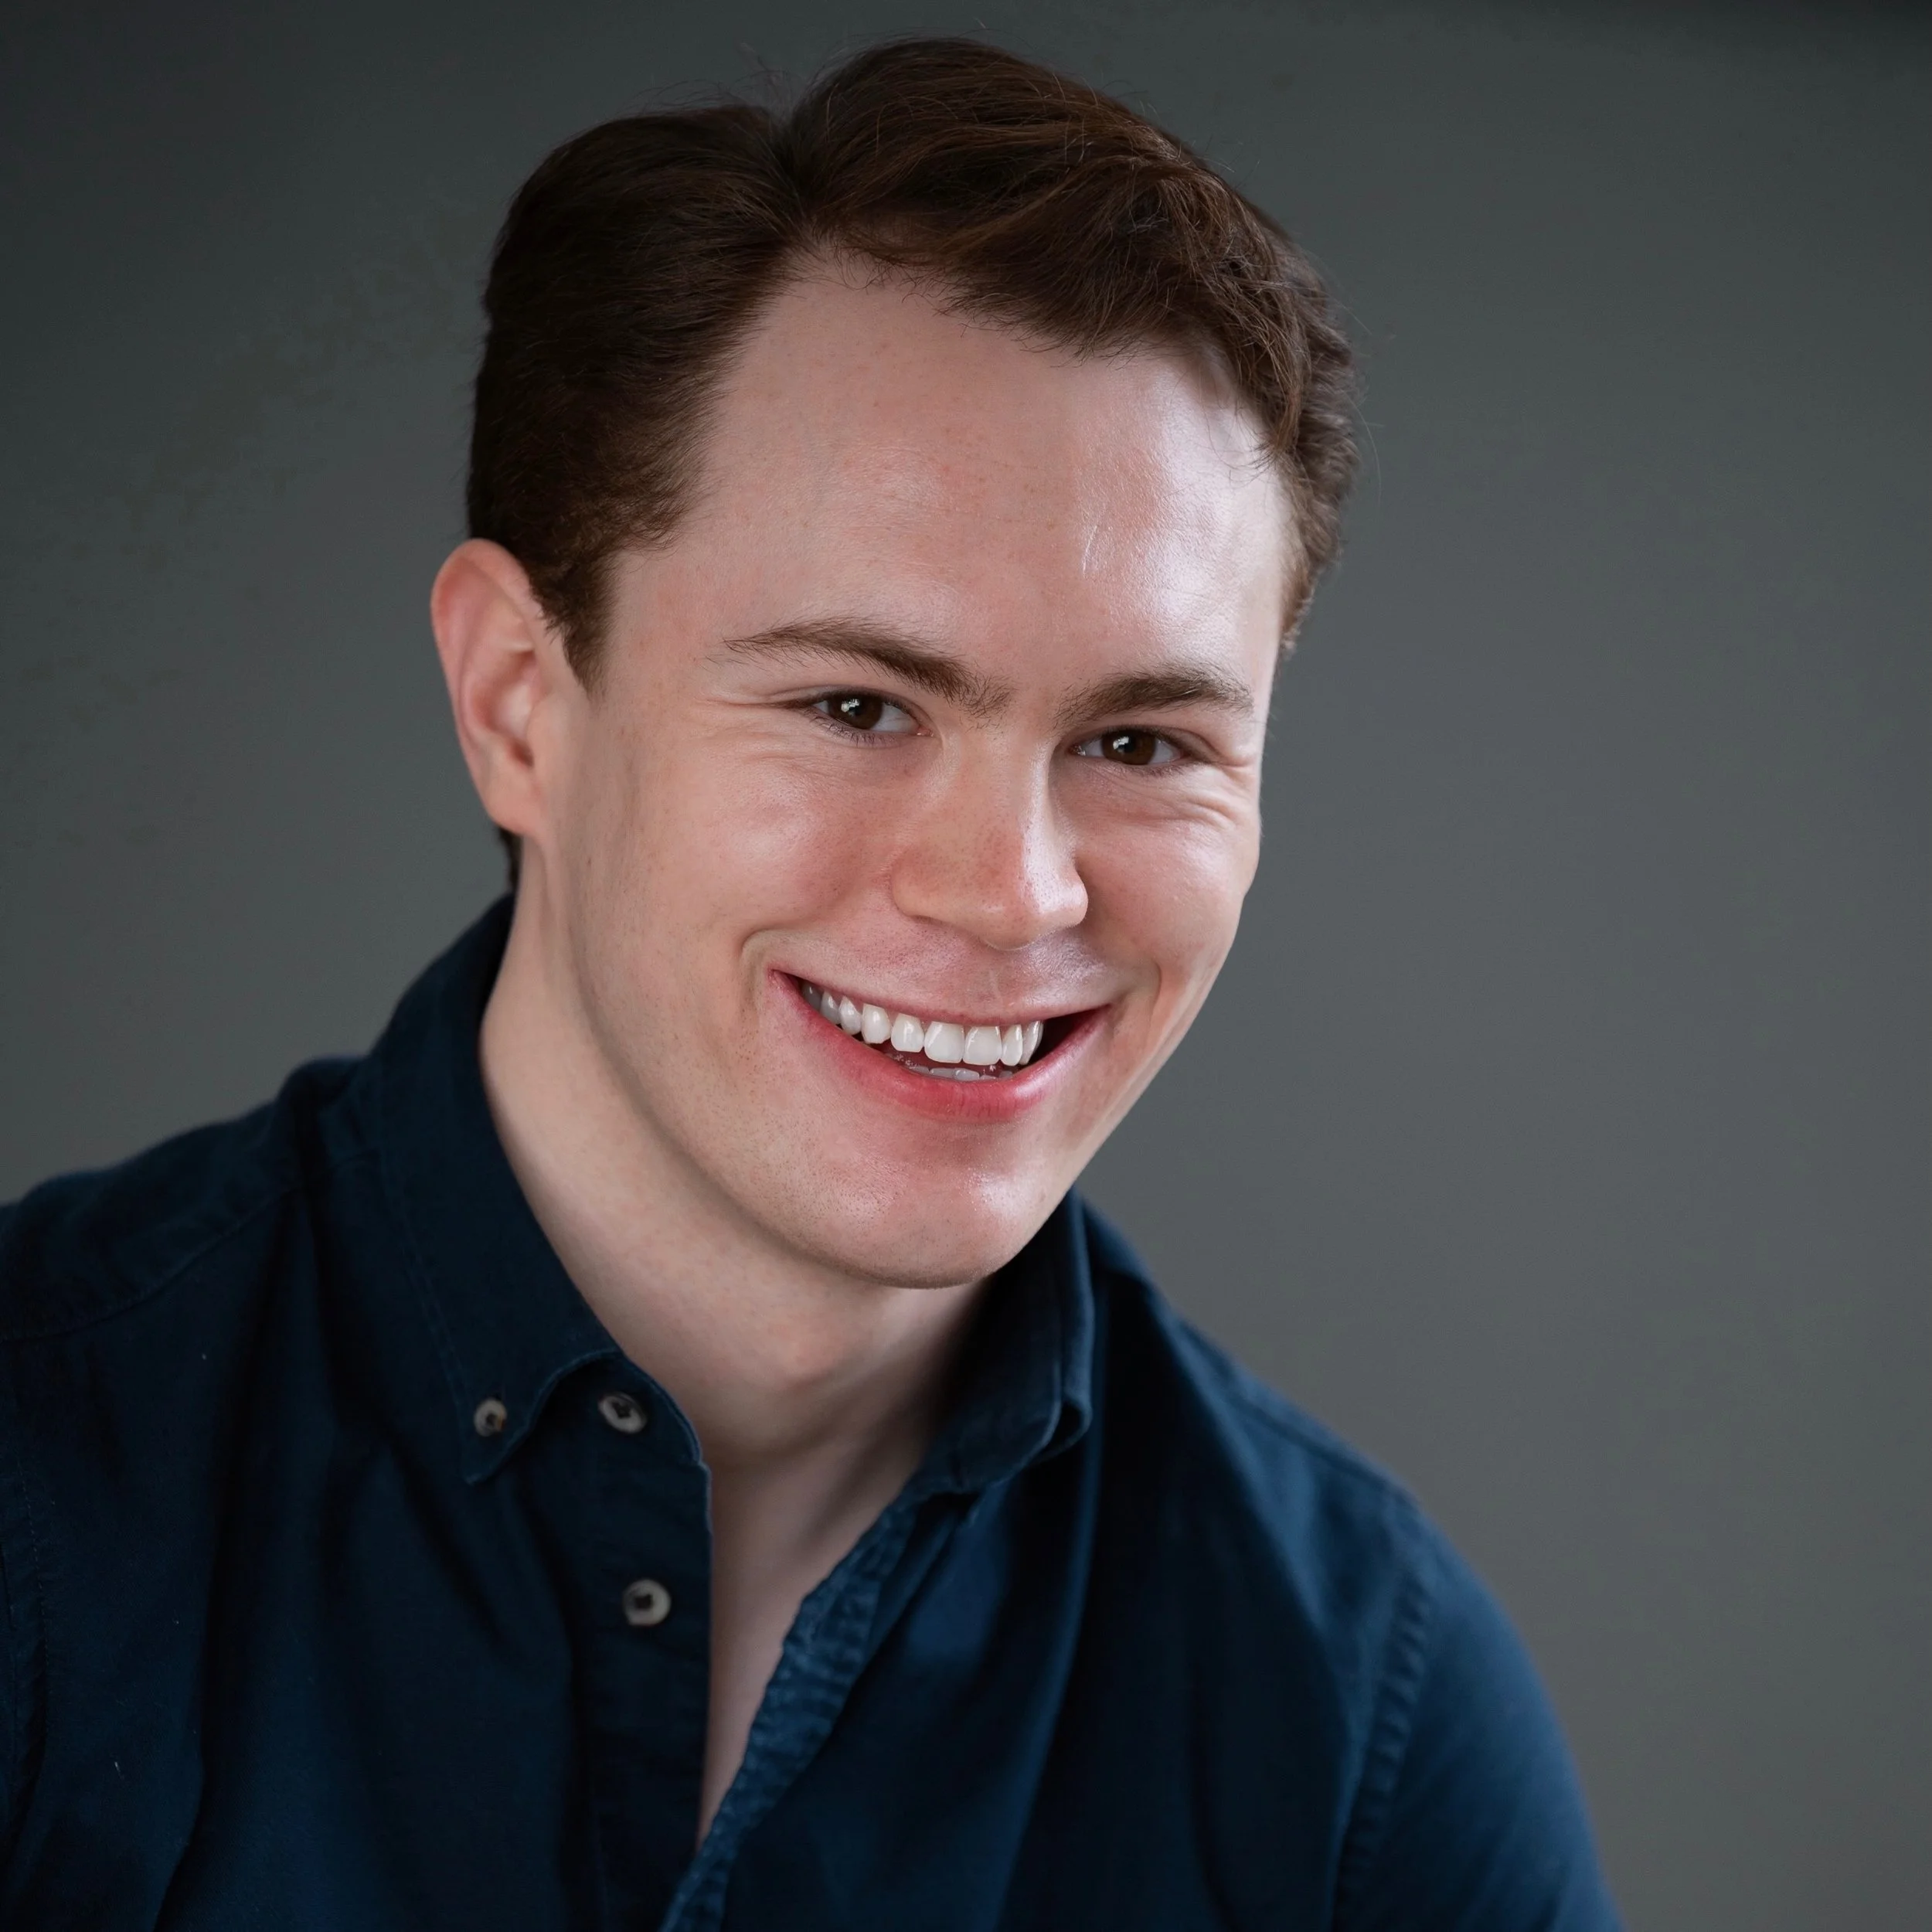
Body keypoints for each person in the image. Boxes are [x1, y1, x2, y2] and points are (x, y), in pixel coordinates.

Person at [0, 37, 1621, 1932]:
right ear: (519, 701)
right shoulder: (39, 1488)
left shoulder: (1361, 1723)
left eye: (1144, 739)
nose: (1014, 890)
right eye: (857, 704)